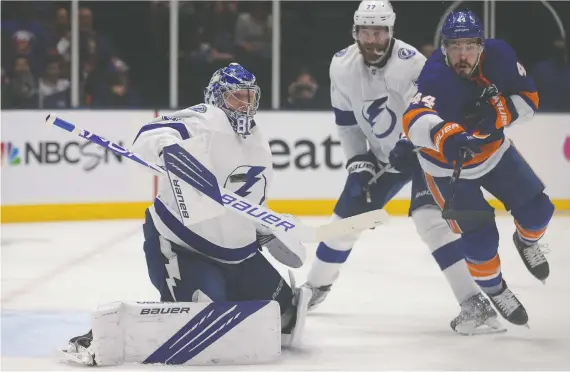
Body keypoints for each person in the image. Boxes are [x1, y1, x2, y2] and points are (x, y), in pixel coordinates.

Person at [62, 63, 312, 365]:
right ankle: (101, 336)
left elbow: (250, 199)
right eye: (236, 97)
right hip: (185, 250)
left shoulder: (258, 140)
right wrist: (172, 151)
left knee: (286, 318)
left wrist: (264, 227)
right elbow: (152, 132)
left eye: (249, 97)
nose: (244, 106)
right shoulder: (205, 118)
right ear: (217, 98)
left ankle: (226, 299)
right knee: (200, 321)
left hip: (239, 257)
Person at [301, 0, 504, 335]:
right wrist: (358, 161)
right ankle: (314, 288)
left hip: (427, 153)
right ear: (356, 31)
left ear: (390, 31)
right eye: (366, 31)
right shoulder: (341, 65)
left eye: (379, 31)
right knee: (345, 220)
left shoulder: (412, 64)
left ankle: (474, 303)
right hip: (385, 157)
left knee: (429, 221)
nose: (372, 39)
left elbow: (430, 112)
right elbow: (347, 122)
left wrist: (413, 142)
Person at [403, 10, 554, 326]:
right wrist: (448, 137)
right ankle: (496, 289)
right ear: (444, 48)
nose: (462, 54)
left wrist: (498, 115)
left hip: (496, 155)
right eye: (454, 46)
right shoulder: (433, 75)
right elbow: (413, 119)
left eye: (469, 46)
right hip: (448, 171)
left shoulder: (500, 55)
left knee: (539, 211)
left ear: (482, 46)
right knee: (480, 241)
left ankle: (526, 242)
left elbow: (529, 99)